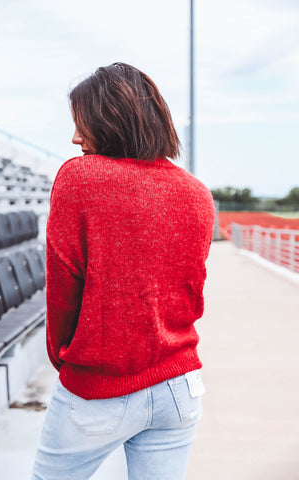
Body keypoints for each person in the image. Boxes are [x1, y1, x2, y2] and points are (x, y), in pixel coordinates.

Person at [31, 62, 215, 480]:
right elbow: (189, 291)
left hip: (100, 388)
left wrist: (67, 362)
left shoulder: (79, 177)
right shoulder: (198, 194)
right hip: (180, 385)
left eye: (83, 124)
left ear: (112, 119)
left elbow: (62, 289)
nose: (75, 137)